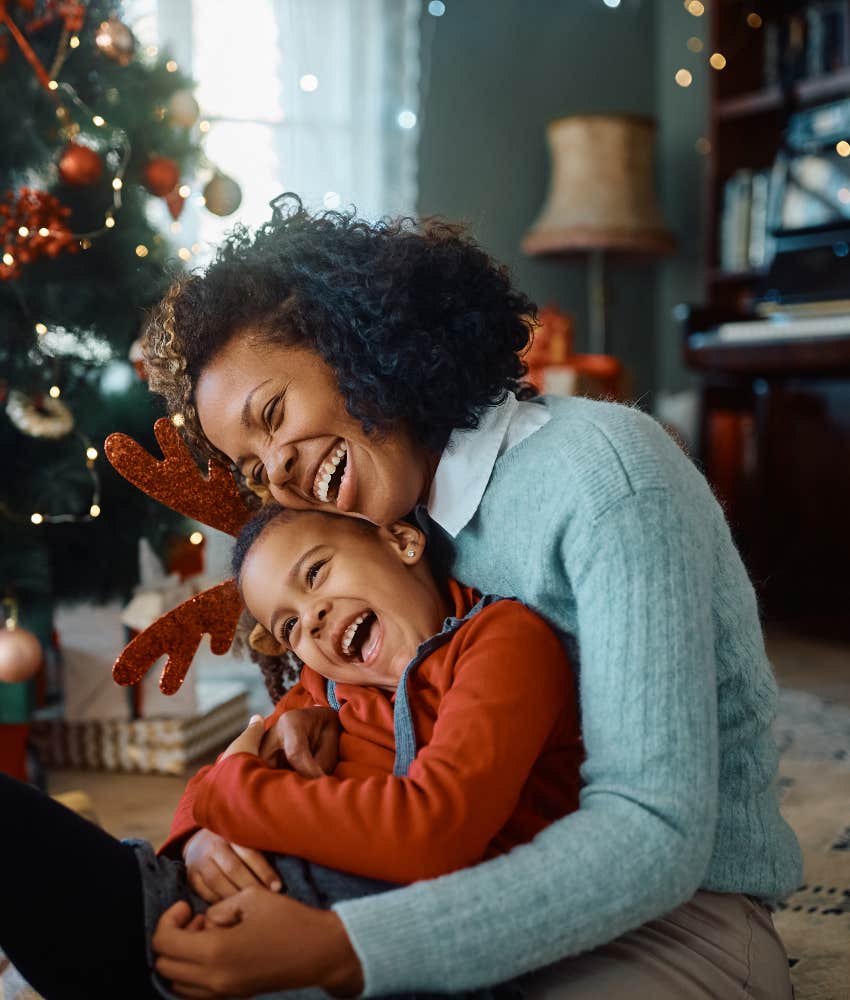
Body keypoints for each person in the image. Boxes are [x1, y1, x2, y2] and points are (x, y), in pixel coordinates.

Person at [138, 194, 801, 1000]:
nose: (274, 473)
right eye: (252, 468)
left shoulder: (606, 478)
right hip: (455, 883)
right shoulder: (387, 523)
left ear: (353, 343)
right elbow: (301, 718)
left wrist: (347, 948)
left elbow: (654, 833)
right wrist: (204, 833)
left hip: (676, 918)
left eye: (272, 416)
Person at [0, 501, 582, 1000]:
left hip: (376, 954)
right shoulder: (323, 691)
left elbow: (434, 830)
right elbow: (208, 789)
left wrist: (232, 788)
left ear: (401, 539)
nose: (314, 616)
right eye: (290, 628)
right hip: (184, 915)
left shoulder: (502, 640)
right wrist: (199, 841)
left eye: (317, 573)